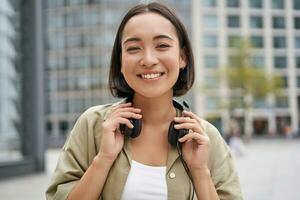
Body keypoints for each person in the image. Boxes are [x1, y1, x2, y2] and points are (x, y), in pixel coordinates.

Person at [46, 2, 243, 200]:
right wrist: (103, 159)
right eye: (133, 48)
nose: (148, 60)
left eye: (162, 46)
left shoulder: (205, 138)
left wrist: (200, 171)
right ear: (120, 62)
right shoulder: (93, 125)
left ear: (182, 57)